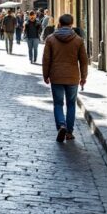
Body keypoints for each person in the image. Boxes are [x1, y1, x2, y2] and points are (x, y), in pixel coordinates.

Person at [42, 13, 88, 142]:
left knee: (58, 103)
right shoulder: (78, 40)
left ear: (60, 24)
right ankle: (69, 132)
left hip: (56, 75)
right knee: (71, 104)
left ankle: (61, 125)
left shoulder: (50, 39)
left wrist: (46, 75)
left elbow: (46, 60)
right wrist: (84, 76)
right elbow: (84, 61)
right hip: (72, 76)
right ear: (71, 24)